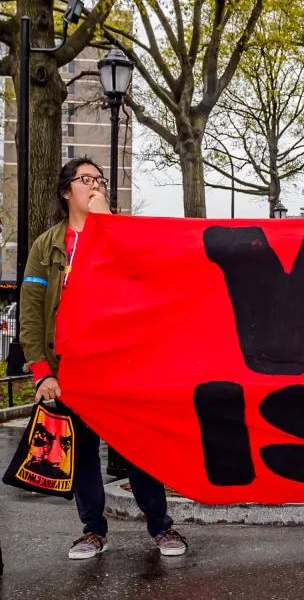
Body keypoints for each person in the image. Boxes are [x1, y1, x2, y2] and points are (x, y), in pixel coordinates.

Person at [20, 157, 188, 560]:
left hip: (121, 368)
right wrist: (42, 373)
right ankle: (93, 531)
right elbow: (31, 310)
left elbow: (147, 280)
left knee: (137, 449)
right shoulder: (48, 246)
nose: (94, 185)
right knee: (81, 455)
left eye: (99, 180)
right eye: (85, 179)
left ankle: (161, 528)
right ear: (66, 191)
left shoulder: (121, 233)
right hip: (71, 371)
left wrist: (108, 222)